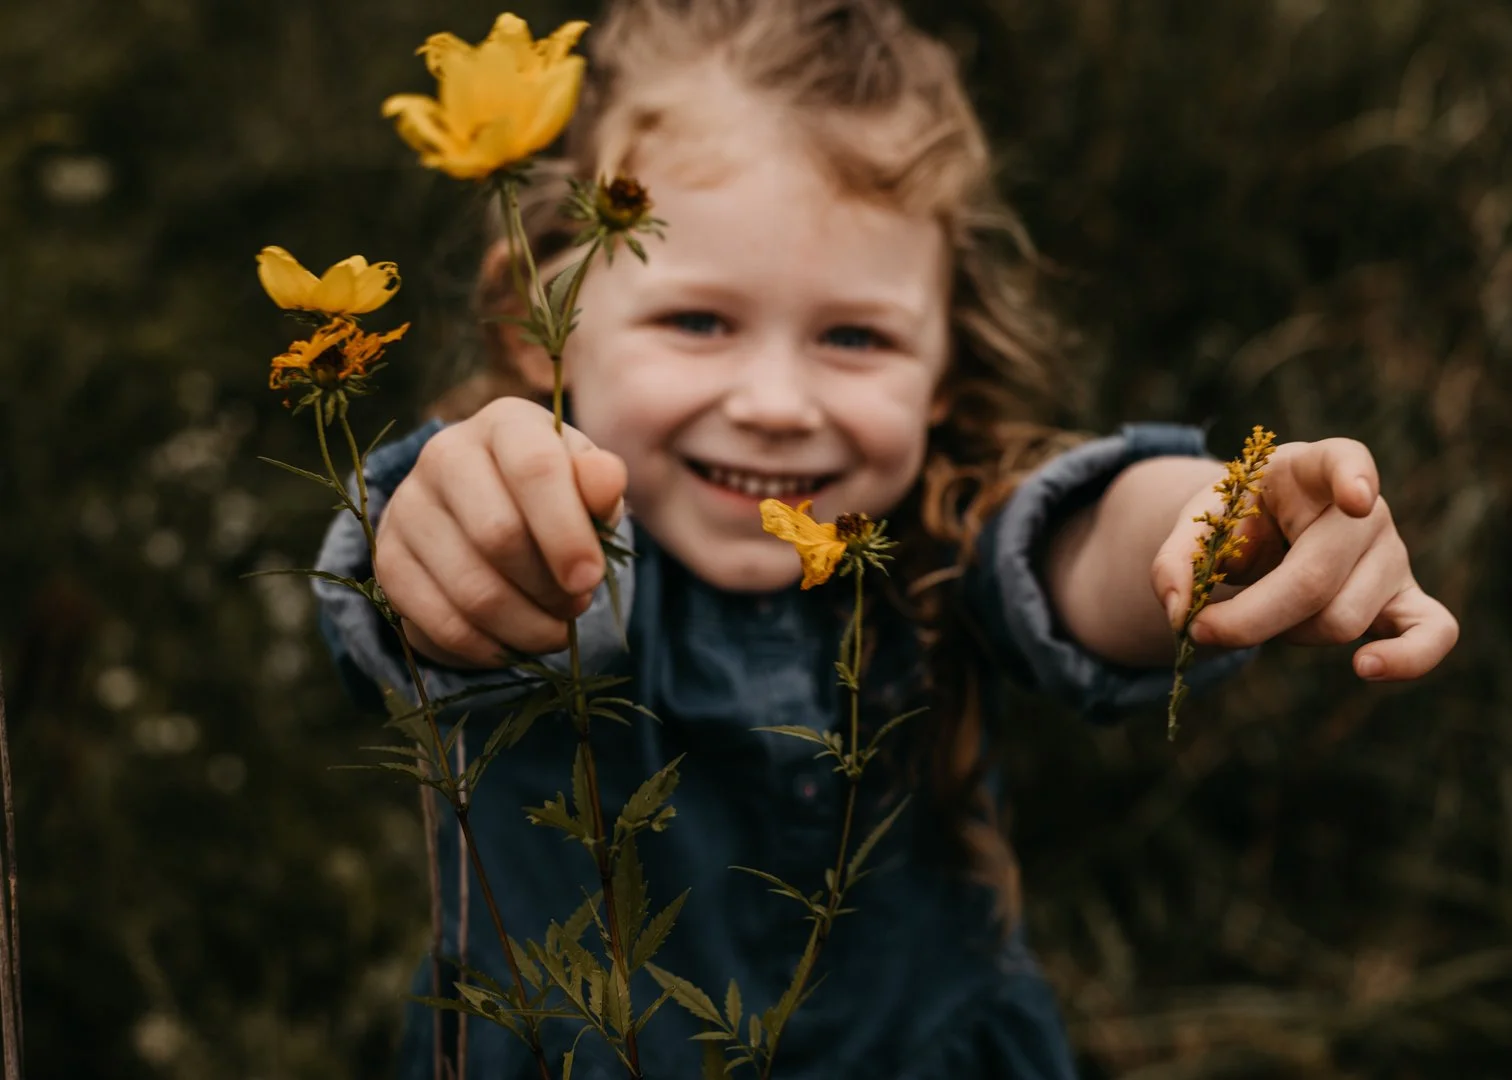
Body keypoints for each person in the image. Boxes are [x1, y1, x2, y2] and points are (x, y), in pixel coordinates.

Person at [314, 0, 1459, 1076]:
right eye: (697, 320)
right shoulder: (527, 510)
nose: (774, 401)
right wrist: (451, 528)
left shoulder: (939, 531)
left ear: (946, 363)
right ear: (535, 318)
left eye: (855, 337)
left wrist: (1226, 515)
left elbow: (1084, 543)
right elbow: (436, 556)